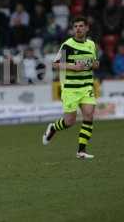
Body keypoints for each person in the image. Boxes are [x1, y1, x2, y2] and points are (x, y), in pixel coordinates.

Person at [42, 16, 99, 159]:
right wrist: (72, 66)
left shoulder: (91, 44)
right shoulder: (67, 45)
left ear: (87, 28)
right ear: (73, 29)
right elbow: (55, 64)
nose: (78, 29)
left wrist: (93, 65)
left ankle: (81, 150)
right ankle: (53, 128)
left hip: (86, 85)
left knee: (89, 115)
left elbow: (95, 63)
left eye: (81, 26)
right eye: (76, 26)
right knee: (69, 122)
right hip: (70, 88)